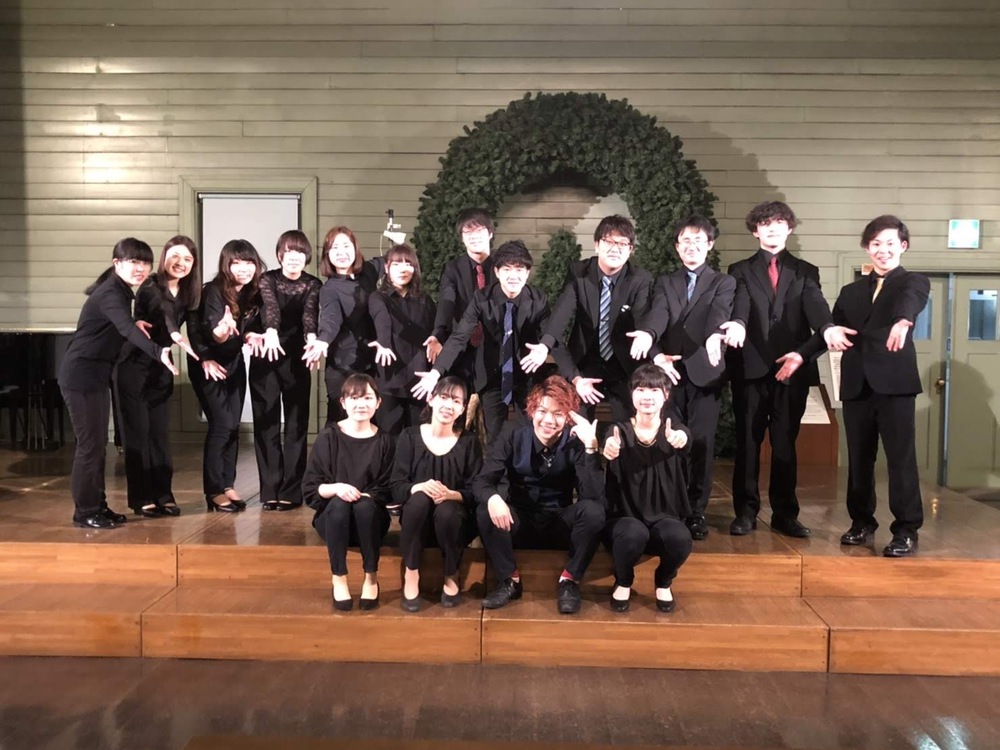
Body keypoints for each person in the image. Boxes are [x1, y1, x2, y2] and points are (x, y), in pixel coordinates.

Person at [722, 201, 834, 538]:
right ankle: (745, 512)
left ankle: (785, 514)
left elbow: (815, 305)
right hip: (750, 369)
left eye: (779, 223)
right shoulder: (739, 269)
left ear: (790, 229)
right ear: (755, 231)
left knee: (785, 444)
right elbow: (740, 306)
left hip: (792, 368)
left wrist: (827, 327)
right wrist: (738, 324)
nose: (772, 228)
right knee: (748, 443)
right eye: (765, 224)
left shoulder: (806, 271)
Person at [826, 215, 930, 557]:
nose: (882, 250)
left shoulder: (912, 282)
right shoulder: (851, 291)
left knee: (901, 459)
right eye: (875, 244)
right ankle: (861, 522)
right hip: (857, 385)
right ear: (867, 248)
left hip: (895, 386)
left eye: (889, 243)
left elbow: (910, 302)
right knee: (859, 459)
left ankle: (906, 529)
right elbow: (833, 329)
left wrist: (903, 321)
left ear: (903, 246)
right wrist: (801, 354)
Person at [627, 216, 735, 540]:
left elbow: (719, 313)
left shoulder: (722, 282)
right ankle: (671, 506)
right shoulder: (666, 282)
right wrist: (649, 334)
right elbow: (659, 312)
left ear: (709, 245)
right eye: (685, 241)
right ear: (677, 247)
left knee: (701, 443)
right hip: (669, 374)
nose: (691, 246)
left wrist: (715, 335)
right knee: (669, 439)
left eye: (698, 241)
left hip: (706, 372)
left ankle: (696, 511)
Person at [58, 238, 178, 529]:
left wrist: (134, 324)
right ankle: (85, 511)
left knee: (98, 444)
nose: (140, 268)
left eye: (145, 263)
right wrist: (158, 352)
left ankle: (98, 505)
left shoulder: (122, 291)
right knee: (90, 446)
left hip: (95, 376)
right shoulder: (111, 292)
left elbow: (121, 323)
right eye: (133, 262)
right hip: (81, 376)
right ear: (117, 263)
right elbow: (125, 328)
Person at [472, 375, 605, 615]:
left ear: (568, 417)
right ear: (532, 410)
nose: (548, 420)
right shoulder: (513, 434)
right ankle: (509, 580)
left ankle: (570, 581)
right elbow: (482, 481)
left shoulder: (576, 441)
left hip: (559, 523)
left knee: (594, 512)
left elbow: (593, 494)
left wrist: (590, 446)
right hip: (519, 522)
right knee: (485, 509)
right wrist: (493, 498)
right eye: (542, 411)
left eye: (558, 414)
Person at [412, 240, 551, 442]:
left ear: (528, 273)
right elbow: (459, 337)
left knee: (529, 435)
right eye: (507, 269)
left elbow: (550, 334)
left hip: (527, 374)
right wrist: (435, 373)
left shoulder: (538, 300)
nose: (513, 275)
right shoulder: (482, 298)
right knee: (494, 438)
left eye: (519, 269)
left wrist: (544, 348)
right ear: (497, 272)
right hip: (491, 375)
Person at [115, 235, 200, 518]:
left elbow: (192, 323)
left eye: (187, 258)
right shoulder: (150, 287)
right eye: (174, 256)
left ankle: (164, 494)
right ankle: (142, 498)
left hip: (162, 367)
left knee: (159, 435)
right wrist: (175, 335)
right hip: (134, 365)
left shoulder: (189, 292)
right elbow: (164, 313)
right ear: (164, 258)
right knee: (138, 435)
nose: (180, 263)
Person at [538, 214, 653, 422]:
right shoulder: (579, 273)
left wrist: (646, 334)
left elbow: (643, 318)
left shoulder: (640, 279)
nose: (615, 248)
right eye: (609, 241)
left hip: (623, 365)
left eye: (622, 243)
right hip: (585, 363)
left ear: (630, 250)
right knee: (576, 420)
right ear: (597, 245)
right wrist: (545, 345)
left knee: (626, 426)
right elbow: (560, 316)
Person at [602, 364, 692, 613]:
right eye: (640, 389)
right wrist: (608, 447)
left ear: (666, 395)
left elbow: (685, 439)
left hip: (664, 518)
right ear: (632, 394)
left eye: (654, 390)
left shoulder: (673, 429)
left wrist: (681, 439)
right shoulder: (619, 430)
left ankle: (663, 581)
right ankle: (623, 580)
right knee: (633, 533)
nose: (647, 396)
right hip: (625, 519)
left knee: (680, 538)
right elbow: (609, 440)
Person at [302, 374, 395, 611]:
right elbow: (311, 488)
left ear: (378, 403)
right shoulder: (328, 437)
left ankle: (371, 577)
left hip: (371, 521)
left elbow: (389, 487)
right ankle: (339, 578)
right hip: (334, 521)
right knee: (340, 504)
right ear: (343, 403)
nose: (361, 404)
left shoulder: (385, 441)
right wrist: (338, 489)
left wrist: (364, 497)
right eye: (354, 398)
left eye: (367, 398)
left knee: (364, 506)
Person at [391, 376, 482, 612]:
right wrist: (418, 487)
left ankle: (451, 574)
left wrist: (453, 494)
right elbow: (396, 486)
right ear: (431, 400)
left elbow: (476, 489)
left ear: (462, 408)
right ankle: (411, 573)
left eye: (456, 401)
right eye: (443, 397)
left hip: (453, 526)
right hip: (416, 523)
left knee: (448, 511)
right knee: (419, 500)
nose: (448, 405)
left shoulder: (469, 441)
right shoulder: (409, 436)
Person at [248, 230, 321, 512]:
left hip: (297, 358)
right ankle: (270, 490)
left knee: (296, 425)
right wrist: (270, 332)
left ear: (306, 256)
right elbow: (271, 309)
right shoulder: (267, 280)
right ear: (280, 255)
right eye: (288, 252)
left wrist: (312, 338)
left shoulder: (313, 284)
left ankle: (291, 490)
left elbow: (309, 314)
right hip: (267, 355)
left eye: (300, 252)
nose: (294, 257)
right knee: (266, 422)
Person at [189, 239, 264, 513]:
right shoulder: (213, 292)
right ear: (226, 265)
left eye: (249, 262)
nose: (243, 268)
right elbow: (209, 333)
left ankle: (227, 484)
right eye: (236, 263)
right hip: (208, 364)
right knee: (221, 425)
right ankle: (213, 491)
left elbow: (253, 327)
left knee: (233, 426)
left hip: (234, 363)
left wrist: (250, 334)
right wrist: (222, 332)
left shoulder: (253, 292)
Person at [424, 209, 496, 428]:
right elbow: (446, 303)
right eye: (468, 232)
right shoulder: (453, 269)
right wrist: (438, 334)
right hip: (462, 349)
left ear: (490, 233)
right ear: (462, 238)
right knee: (457, 414)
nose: (474, 237)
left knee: (493, 417)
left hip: (494, 350)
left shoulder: (502, 267)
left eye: (479, 231)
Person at [303, 226, 379, 424]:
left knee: (371, 422)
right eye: (335, 248)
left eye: (346, 246)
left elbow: (391, 261)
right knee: (340, 422)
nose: (341, 252)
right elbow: (331, 317)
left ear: (355, 249)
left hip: (373, 361)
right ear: (327, 255)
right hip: (343, 364)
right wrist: (322, 340)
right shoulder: (330, 289)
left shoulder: (369, 271)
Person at [367, 243, 436, 436]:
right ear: (387, 267)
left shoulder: (425, 300)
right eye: (397, 264)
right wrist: (384, 343)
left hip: (419, 381)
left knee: (418, 436)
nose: (403, 269)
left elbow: (436, 329)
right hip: (390, 378)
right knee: (389, 437)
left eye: (408, 264)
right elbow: (383, 320)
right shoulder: (378, 297)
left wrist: (437, 339)